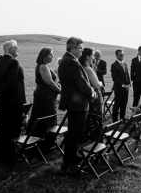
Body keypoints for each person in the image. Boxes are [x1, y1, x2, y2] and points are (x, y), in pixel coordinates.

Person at [57, 37, 95, 175]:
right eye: (80, 48)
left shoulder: (68, 60)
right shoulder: (70, 62)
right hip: (77, 103)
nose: (82, 50)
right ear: (73, 48)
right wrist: (92, 92)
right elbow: (81, 82)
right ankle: (72, 165)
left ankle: (67, 162)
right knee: (75, 134)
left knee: (73, 134)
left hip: (75, 103)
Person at [0, 40, 26, 164]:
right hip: (14, 102)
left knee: (4, 128)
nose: (18, 49)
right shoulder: (13, 62)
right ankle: (11, 155)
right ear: (11, 49)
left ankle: (2, 155)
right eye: (17, 47)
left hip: (3, 103)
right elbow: (10, 83)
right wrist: (0, 96)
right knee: (14, 129)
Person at [27, 47, 61, 139]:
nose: (52, 57)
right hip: (44, 96)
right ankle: (44, 140)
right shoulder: (43, 66)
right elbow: (49, 82)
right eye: (50, 55)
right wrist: (61, 91)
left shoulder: (45, 65)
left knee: (48, 116)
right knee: (46, 117)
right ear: (44, 56)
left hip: (47, 96)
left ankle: (45, 140)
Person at [110, 48, 131, 122]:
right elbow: (114, 78)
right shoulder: (114, 65)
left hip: (126, 88)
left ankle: (122, 118)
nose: (122, 56)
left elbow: (127, 75)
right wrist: (122, 85)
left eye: (123, 54)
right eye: (120, 55)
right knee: (117, 104)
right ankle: (115, 120)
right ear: (116, 55)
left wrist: (128, 84)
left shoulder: (125, 64)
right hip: (119, 88)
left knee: (124, 104)